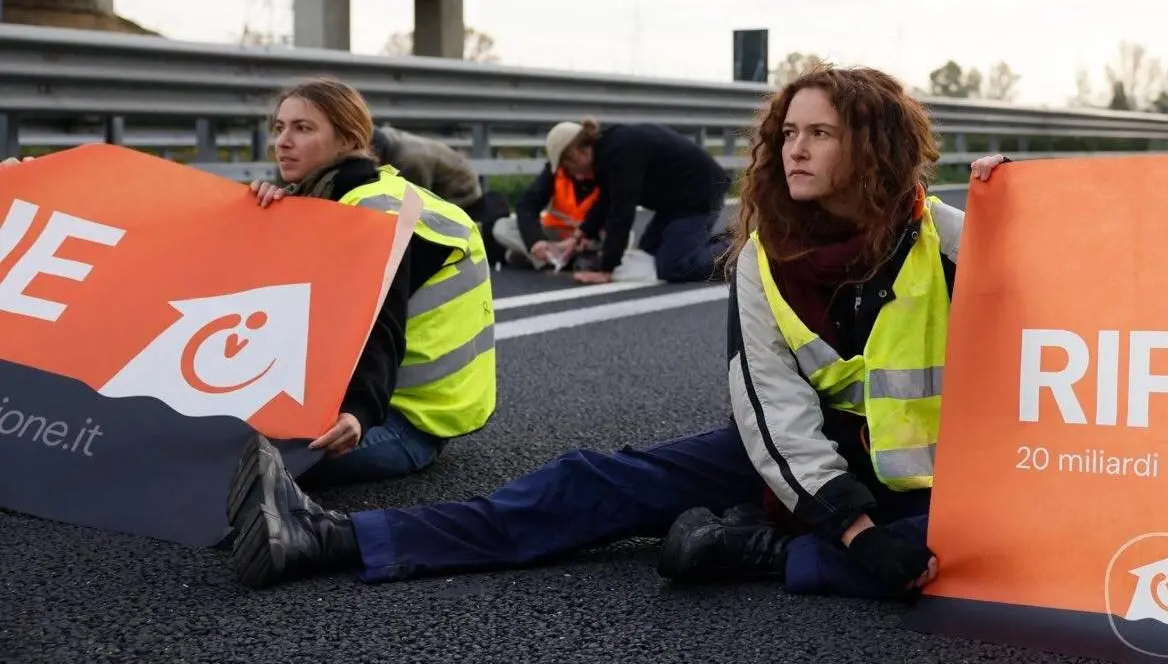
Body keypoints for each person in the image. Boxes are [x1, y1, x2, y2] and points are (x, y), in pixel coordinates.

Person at [223, 63, 1009, 599]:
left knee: (980, 555)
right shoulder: (764, 257)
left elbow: (1058, 325)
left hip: (939, 479)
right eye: (788, 132)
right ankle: (333, 538)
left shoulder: (948, 240)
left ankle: (761, 551)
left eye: (821, 133)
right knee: (588, 481)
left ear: (872, 148)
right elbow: (772, 411)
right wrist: (851, 522)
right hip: (810, 460)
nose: (793, 148)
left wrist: (1021, 214)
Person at [247, 78, 498, 487]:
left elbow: (379, 321)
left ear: (347, 140)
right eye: (280, 128)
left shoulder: (373, 211)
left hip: (405, 419)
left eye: (303, 128)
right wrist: (265, 218)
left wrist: (360, 412)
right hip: (371, 399)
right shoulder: (330, 199)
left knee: (247, 464)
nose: (283, 142)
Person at [547, 119, 733, 286]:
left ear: (575, 155)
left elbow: (621, 212)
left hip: (700, 197)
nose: (571, 175)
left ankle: (738, 251)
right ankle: (719, 241)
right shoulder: (608, 151)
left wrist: (606, 270)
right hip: (675, 204)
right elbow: (606, 200)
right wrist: (582, 233)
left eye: (567, 167)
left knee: (673, 266)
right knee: (648, 253)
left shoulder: (619, 153)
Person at [368, 125, 512, 269]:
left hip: (462, 192)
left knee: (418, 224)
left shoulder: (411, 161)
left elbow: (415, 205)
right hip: (443, 179)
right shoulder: (386, 136)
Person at [489, 151, 602, 272]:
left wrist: (586, 235)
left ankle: (540, 259)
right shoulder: (555, 171)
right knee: (503, 227)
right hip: (553, 233)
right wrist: (536, 241)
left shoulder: (607, 174)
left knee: (613, 239)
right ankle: (551, 260)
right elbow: (527, 205)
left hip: (587, 238)